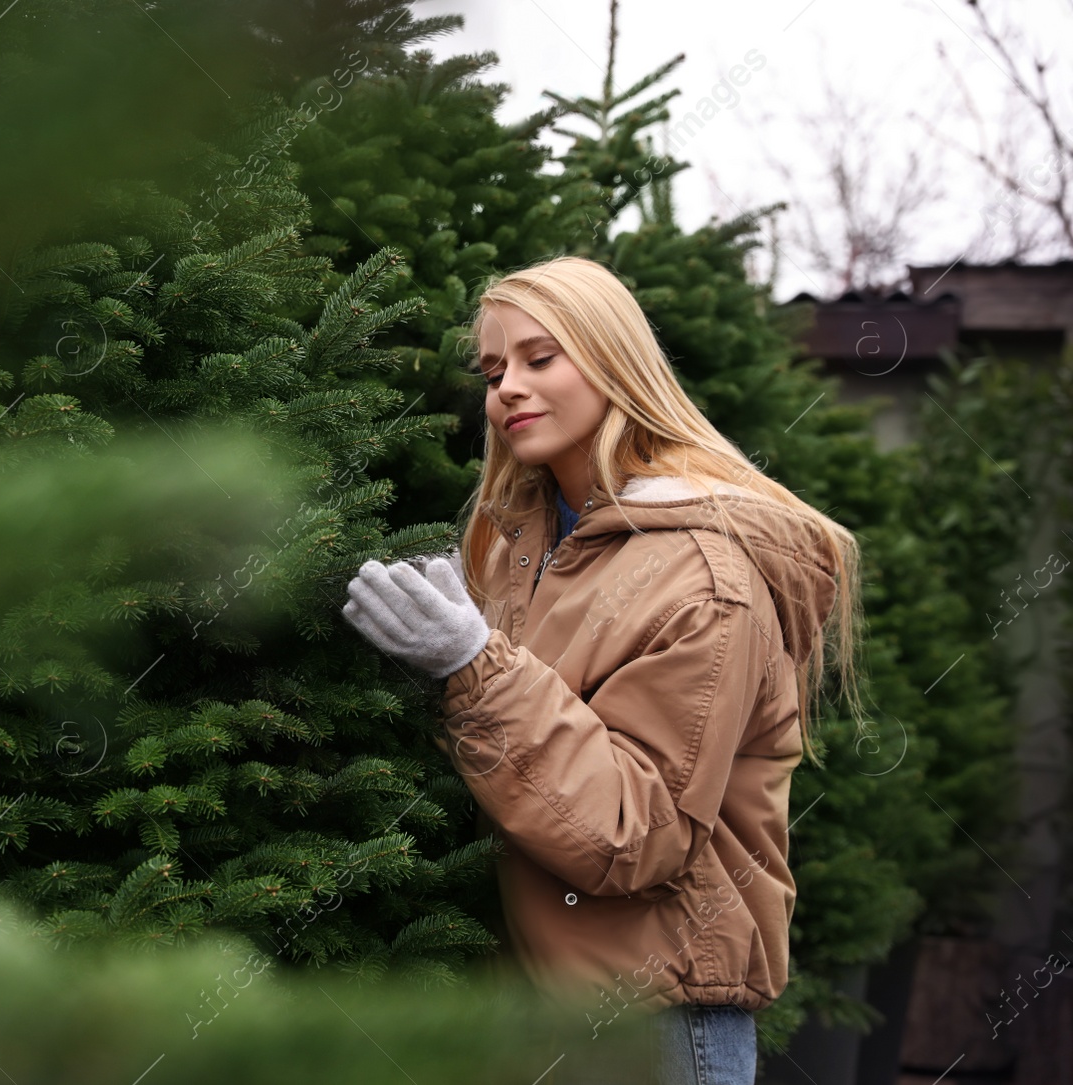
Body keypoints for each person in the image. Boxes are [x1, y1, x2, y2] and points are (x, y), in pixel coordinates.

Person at [341, 256, 863, 1085]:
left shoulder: (706, 578)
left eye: (540, 358)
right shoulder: (522, 544)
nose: (509, 386)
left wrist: (471, 665)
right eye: (493, 369)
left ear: (615, 363)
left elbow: (632, 832)